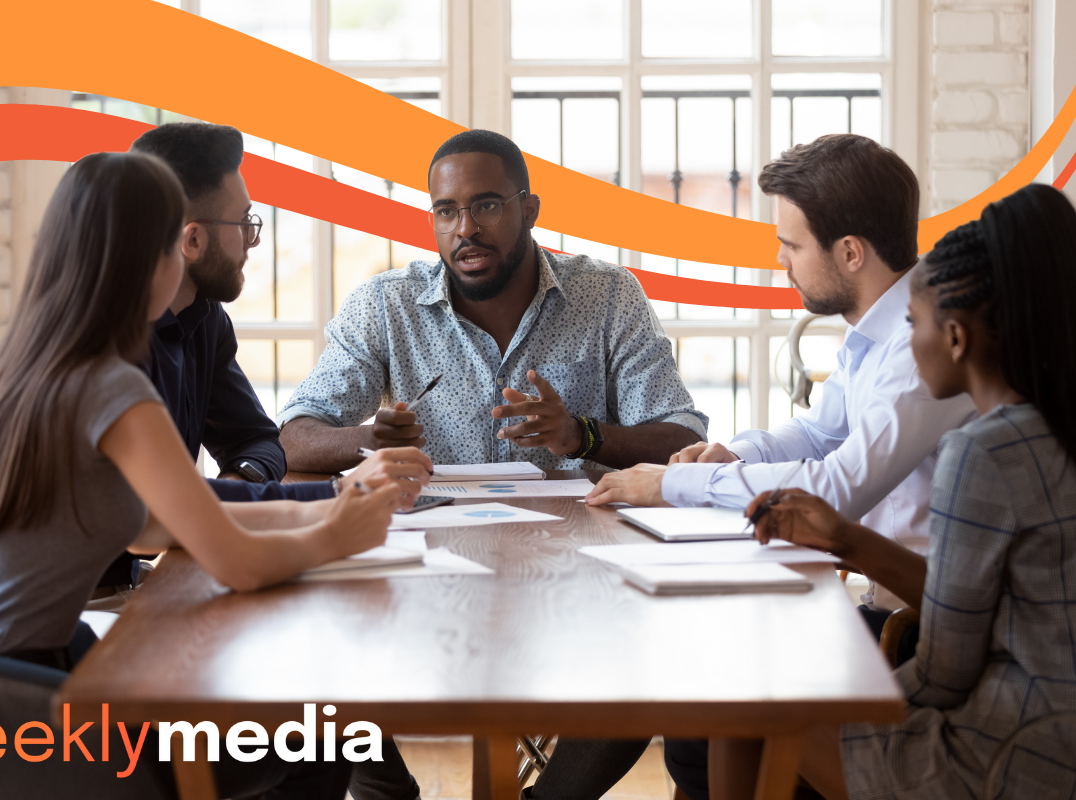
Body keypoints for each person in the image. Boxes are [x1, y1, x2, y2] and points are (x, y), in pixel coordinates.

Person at [0, 152, 402, 798]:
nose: (182, 262)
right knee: (321, 728)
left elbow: (154, 528)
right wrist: (337, 537)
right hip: (21, 724)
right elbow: (235, 564)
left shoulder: (33, 367)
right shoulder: (112, 388)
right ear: (146, 262)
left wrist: (320, 508)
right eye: (172, 250)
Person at [530, 134, 976, 799]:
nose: (780, 260)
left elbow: (840, 486)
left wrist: (673, 483)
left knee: (695, 675)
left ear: (849, 252)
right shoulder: (876, 334)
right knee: (687, 687)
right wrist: (733, 453)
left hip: (912, 628)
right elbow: (822, 431)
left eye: (792, 245)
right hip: (885, 606)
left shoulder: (918, 346)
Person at [713, 183, 1076, 799]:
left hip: (1006, 757)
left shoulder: (982, 452)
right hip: (1054, 732)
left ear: (957, 339)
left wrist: (860, 689)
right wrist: (847, 539)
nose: (905, 346)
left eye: (913, 324)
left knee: (744, 693)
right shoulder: (1049, 428)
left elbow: (945, 671)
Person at [90, 123, 432, 598]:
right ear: (189, 241)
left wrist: (252, 492)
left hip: (112, 593)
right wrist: (334, 502)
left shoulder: (200, 320)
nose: (253, 242)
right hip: (77, 623)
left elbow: (245, 451)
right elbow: (178, 523)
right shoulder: (108, 365)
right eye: (245, 222)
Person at [277, 129, 708, 474]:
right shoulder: (386, 305)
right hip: (435, 543)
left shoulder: (608, 295)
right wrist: (372, 441)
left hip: (574, 543)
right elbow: (292, 438)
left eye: (486, 206)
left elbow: (684, 439)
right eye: (446, 211)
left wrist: (581, 436)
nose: (466, 229)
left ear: (530, 211)